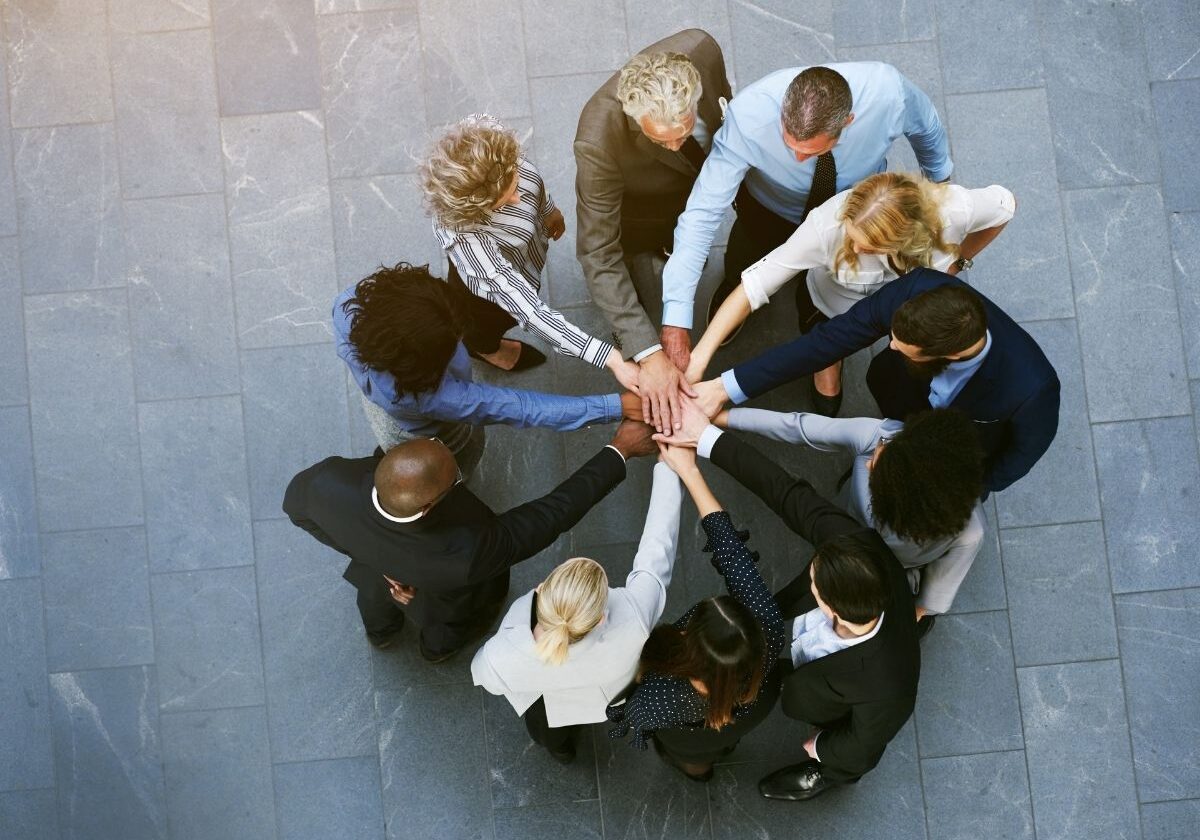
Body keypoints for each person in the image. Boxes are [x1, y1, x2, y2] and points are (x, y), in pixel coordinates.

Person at [649, 61, 952, 411]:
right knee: (745, 259)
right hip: (768, 208)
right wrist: (676, 315)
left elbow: (927, 127)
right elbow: (701, 213)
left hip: (855, 216)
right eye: (789, 143)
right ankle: (734, 300)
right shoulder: (748, 116)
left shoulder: (889, 93)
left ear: (847, 122)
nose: (797, 157)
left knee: (839, 288)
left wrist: (939, 185)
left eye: (810, 152)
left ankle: (826, 353)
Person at [678, 408, 921, 800]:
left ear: (830, 609)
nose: (808, 575)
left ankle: (827, 777)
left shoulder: (889, 687)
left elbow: (864, 743)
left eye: (813, 583)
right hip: (806, 661)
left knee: (843, 762)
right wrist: (705, 437)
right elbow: (787, 493)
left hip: (825, 709)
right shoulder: (859, 547)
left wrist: (823, 749)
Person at [282, 420, 656, 663]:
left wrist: (371, 558)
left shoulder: (325, 484)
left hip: (374, 574)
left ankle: (380, 633)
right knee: (446, 629)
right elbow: (552, 515)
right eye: (456, 479)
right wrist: (619, 450)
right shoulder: (468, 552)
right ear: (428, 506)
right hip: (444, 602)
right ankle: (435, 652)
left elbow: (296, 510)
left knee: (376, 602)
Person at [692, 270, 1060, 494]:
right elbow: (826, 342)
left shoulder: (1033, 390)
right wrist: (724, 387)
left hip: (952, 452)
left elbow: (1015, 461)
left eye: (903, 346)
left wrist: (950, 493)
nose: (891, 344)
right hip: (901, 394)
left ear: (946, 355)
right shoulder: (916, 289)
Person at [690, 172, 1015, 413]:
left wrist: (960, 260)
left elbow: (1004, 207)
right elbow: (756, 283)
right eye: (852, 236)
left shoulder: (955, 210)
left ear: (906, 236)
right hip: (834, 310)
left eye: (869, 246)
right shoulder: (825, 227)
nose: (855, 248)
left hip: (909, 310)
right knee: (823, 342)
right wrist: (700, 356)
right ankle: (828, 364)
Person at [334, 262, 640, 474]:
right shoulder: (441, 398)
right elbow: (522, 408)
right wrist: (616, 405)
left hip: (389, 406)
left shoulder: (347, 308)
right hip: (427, 433)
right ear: (428, 360)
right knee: (456, 463)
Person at [470, 460, 682, 763]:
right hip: (601, 698)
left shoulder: (499, 655)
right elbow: (658, 547)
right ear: (600, 618)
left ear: (543, 587)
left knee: (550, 736)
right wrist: (670, 468)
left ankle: (562, 752)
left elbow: (484, 676)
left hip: (543, 704)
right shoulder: (634, 619)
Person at [574, 29, 732, 433]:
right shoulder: (598, 138)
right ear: (633, 117)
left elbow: (723, 103)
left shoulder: (702, 47)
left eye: (684, 130)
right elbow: (598, 252)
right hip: (642, 207)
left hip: (691, 188)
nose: (678, 144)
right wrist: (647, 351)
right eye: (662, 140)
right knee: (631, 254)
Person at [711, 406, 986, 631]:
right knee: (803, 589)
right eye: (881, 454)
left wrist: (900, 624)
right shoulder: (884, 436)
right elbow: (798, 426)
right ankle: (770, 615)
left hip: (877, 566)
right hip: (842, 523)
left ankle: (767, 617)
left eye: (878, 470)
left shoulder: (969, 533)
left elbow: (931, 596)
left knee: (813, 589)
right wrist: (720, 418)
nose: (868, 463)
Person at [421, 114, 640, 393]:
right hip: (485, 298)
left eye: (515, 183)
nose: (517, 199)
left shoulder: (491, 140)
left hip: (523, 260)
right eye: (502, 204)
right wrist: (612, 359)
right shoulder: (467, 237)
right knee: (487, 325)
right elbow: (530, 311)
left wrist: (547, 210)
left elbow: (531, 183)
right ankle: (484, 350)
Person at [606, 443, 786, 782]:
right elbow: (734, 555)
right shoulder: (769, 627)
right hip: (757, 706)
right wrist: (689, 470)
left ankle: (696, 771)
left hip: (692, 735)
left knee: (691, 755)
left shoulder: (664, 694)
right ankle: (708, 763)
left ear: (691, 643)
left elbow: (633, 715)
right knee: (719, 744)